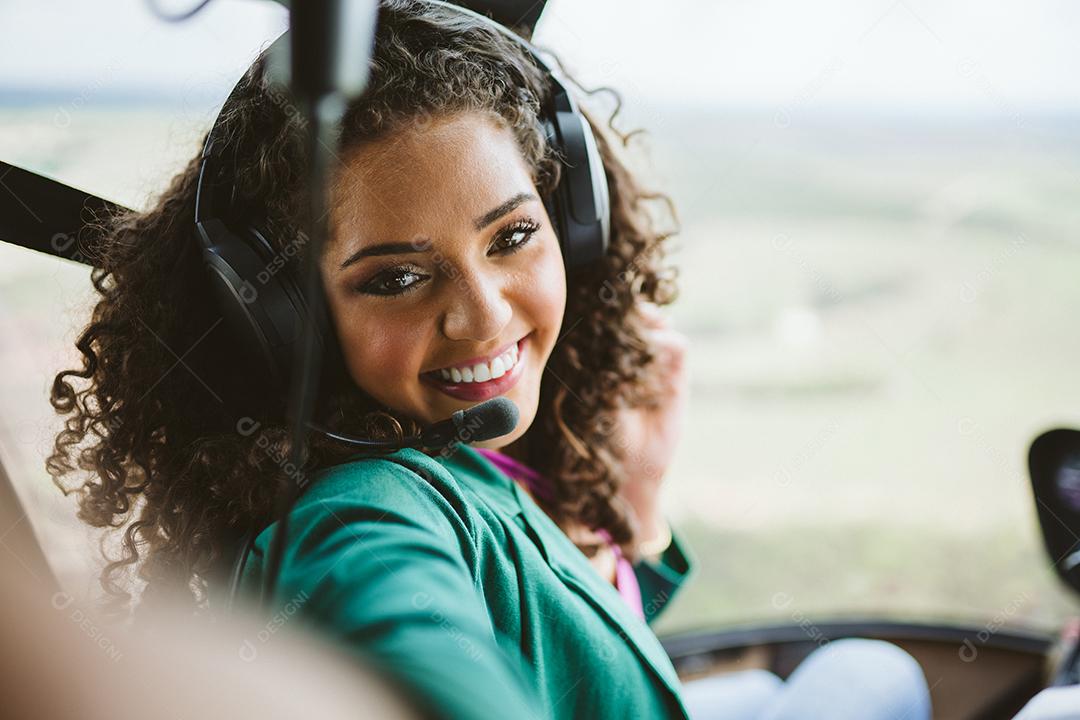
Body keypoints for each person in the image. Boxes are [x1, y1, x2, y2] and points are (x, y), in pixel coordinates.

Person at [46, 1, 931, 717]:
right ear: (286, 319)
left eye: (511, 235)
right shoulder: (360, 515)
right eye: (396, 277)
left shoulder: (454, 453)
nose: (481, 317)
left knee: (860, 672)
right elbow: (404, 629)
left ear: (569, 225)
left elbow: (569, 661)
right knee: (873, 680)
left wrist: (635, 520)